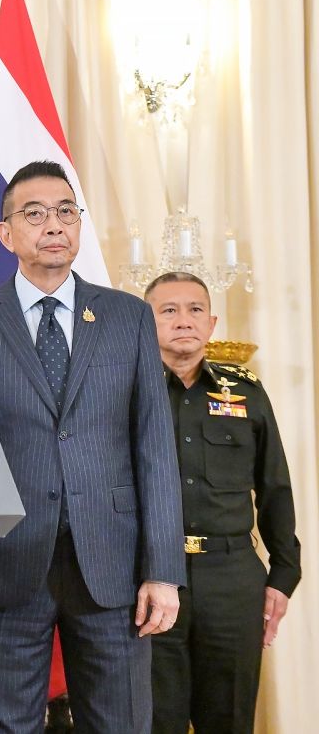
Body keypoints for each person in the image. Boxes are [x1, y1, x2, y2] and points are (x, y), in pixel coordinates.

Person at [0, 160, 185, 732]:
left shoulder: (128, 317)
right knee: (3, 723)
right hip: (3, 567)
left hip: (113, 564)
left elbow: (154, 449)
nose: (54, 224)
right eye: (35, 213)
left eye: (66, 211)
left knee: (121, 722)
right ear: (5, 234)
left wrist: (163, 571)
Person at [144, 272, 301, 733]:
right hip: (151, 576)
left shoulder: (245, 392)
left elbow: (274, 486)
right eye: (168, 310)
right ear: (145, 323)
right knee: (154, 719)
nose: (184, 320)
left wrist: (284, 574)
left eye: (195, 310)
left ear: (212, 323)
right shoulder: (125, 391)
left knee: (229, 718)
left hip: (231, 578)